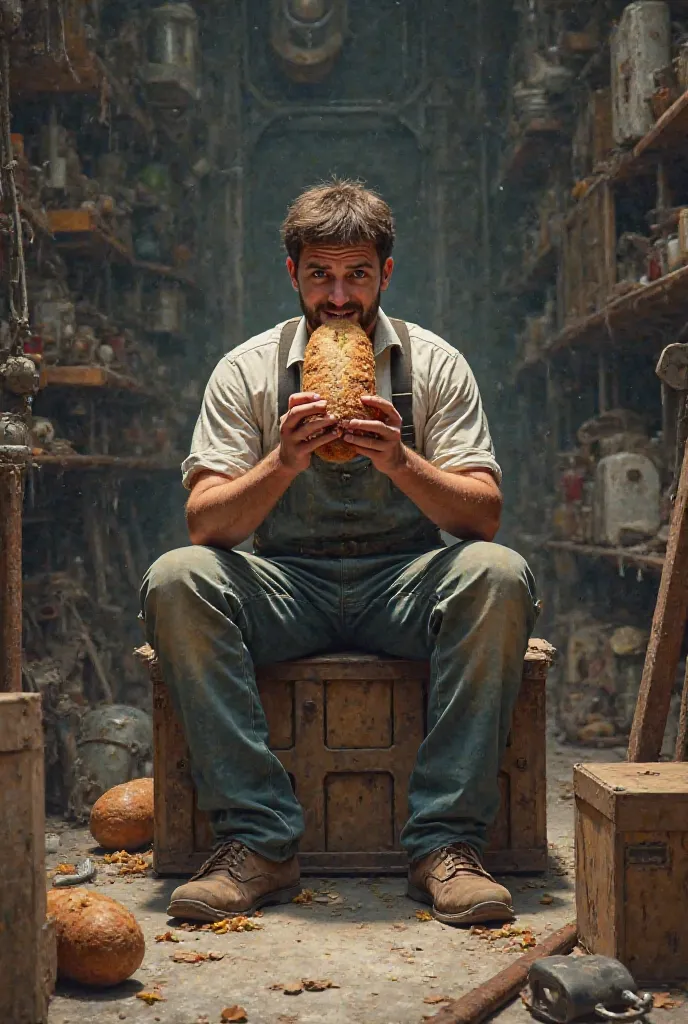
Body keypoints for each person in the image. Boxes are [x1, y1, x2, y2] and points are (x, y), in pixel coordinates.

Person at [141, 178, 538, 928]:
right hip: (290, 587)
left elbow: (483, 516)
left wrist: (400, 462)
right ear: (291, 273)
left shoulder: (434, 365)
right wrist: (283, 462)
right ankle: (257, 842)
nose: (338, 296)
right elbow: (206, 524)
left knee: (498, 573)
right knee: (177, 578)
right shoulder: (247, 370)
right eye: (320, 274)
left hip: (405, 585)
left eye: (357, 274)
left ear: (386, 273)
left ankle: (444, 844)